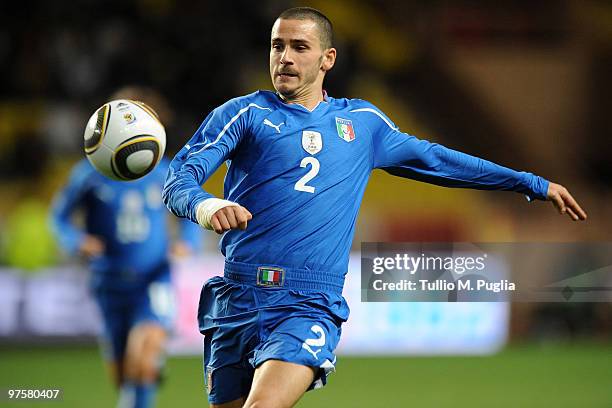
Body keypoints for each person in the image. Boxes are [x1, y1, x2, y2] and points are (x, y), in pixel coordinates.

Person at [162, 7, 587, 408]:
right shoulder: (242, 114)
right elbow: (178, 178)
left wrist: (530, 183)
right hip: (236, 298)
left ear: (327, 59)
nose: (285, 57)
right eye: (277, 46)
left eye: (299, 47)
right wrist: (205, 205)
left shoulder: (362, 125)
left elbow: (437, 160)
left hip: (307, 300)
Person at [50, 88, 201, 408]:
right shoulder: (87, 175)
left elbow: (189, 208)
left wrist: (187, 242)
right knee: (123, 376)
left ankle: (150, 363)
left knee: (142, 362)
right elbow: (59, 217)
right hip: (108, 282)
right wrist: (77, 240)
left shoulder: (164, 171)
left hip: (153, 278)